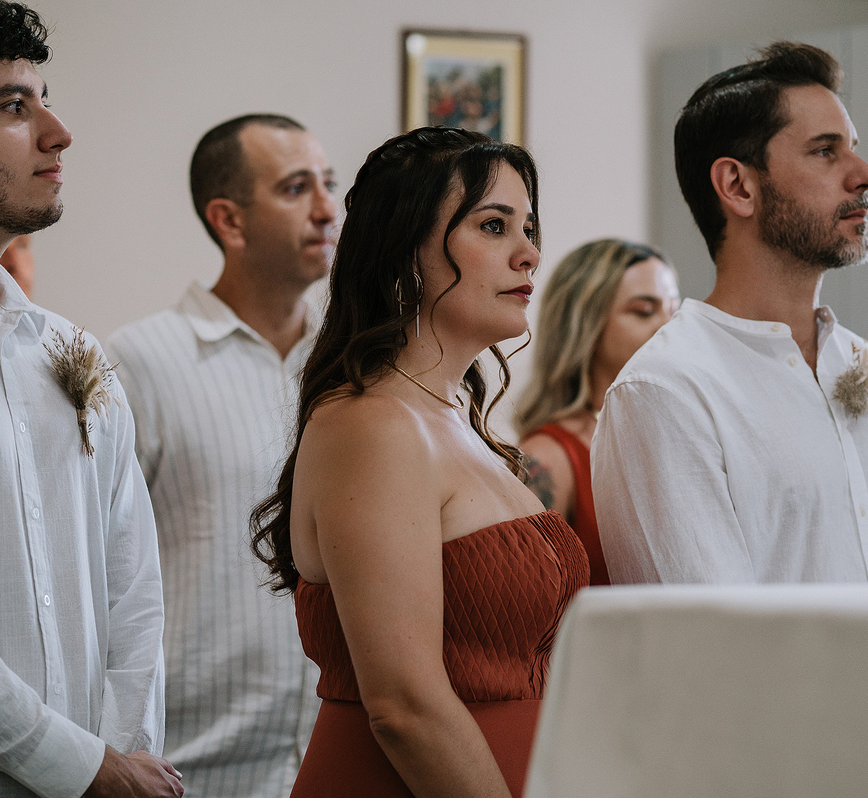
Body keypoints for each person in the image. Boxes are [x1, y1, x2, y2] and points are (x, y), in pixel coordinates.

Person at [250, 126, 588, 798]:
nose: (529, 253)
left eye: (528, 228)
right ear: (406, 251)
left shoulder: (460, 421)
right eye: (493, 226)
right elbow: (403, 706)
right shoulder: (371, 424)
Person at [593, 41, 868, 585]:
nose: (866, 174)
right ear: (738, 186)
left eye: (852, 148)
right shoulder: (666, 392)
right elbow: (707, 629)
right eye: (825, 151)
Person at [0, 2, 183, 796]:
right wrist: (83, 767)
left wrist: (126, 755)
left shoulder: (73, 352)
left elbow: (134, 585)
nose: (58, 134)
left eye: (45, 102)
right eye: (13, 106)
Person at [107, 114, 335, 797]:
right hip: (189, 767)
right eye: (296, 188)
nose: (327, 209)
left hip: (333, 759)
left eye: (328, 184)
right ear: (229, 221)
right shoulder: (140, 362)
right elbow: (96, 570)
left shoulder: (350, 365)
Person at [514, 239, 679, 585]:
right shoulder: (549, 457)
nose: (670, 328)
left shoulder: (683, 435)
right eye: (644, 311)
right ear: (584, 326)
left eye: (674, 311)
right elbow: (524, 595)